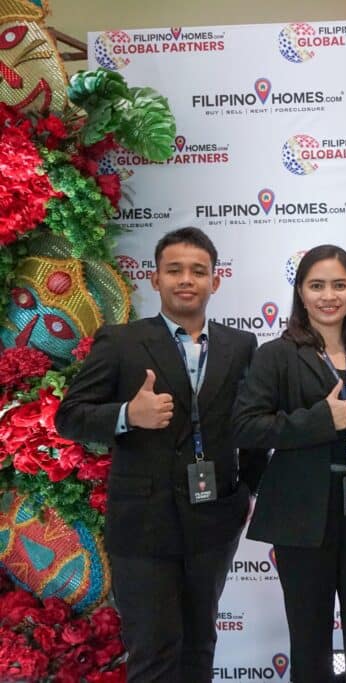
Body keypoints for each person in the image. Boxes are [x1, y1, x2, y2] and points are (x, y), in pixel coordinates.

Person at [54, 227, 263, 682]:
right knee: (154, 654)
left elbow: (252, 427)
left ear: (215, 280)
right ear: (155, 279)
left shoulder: (241, 345)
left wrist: (242, 491)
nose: (186, 280)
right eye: (174, 270)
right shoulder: (121, 341)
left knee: (199, 646)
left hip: (213, 522)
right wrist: (129, 413)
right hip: (143, 524)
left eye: (198, 271)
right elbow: (69, 417)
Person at [232, 245, 346, 682]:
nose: (330, 295)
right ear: (301, 293)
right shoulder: (277, 354)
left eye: (340, 285)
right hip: (302, 514)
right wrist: (318, 421)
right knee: (309, 634)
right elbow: (246, 427)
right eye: (318, 285)